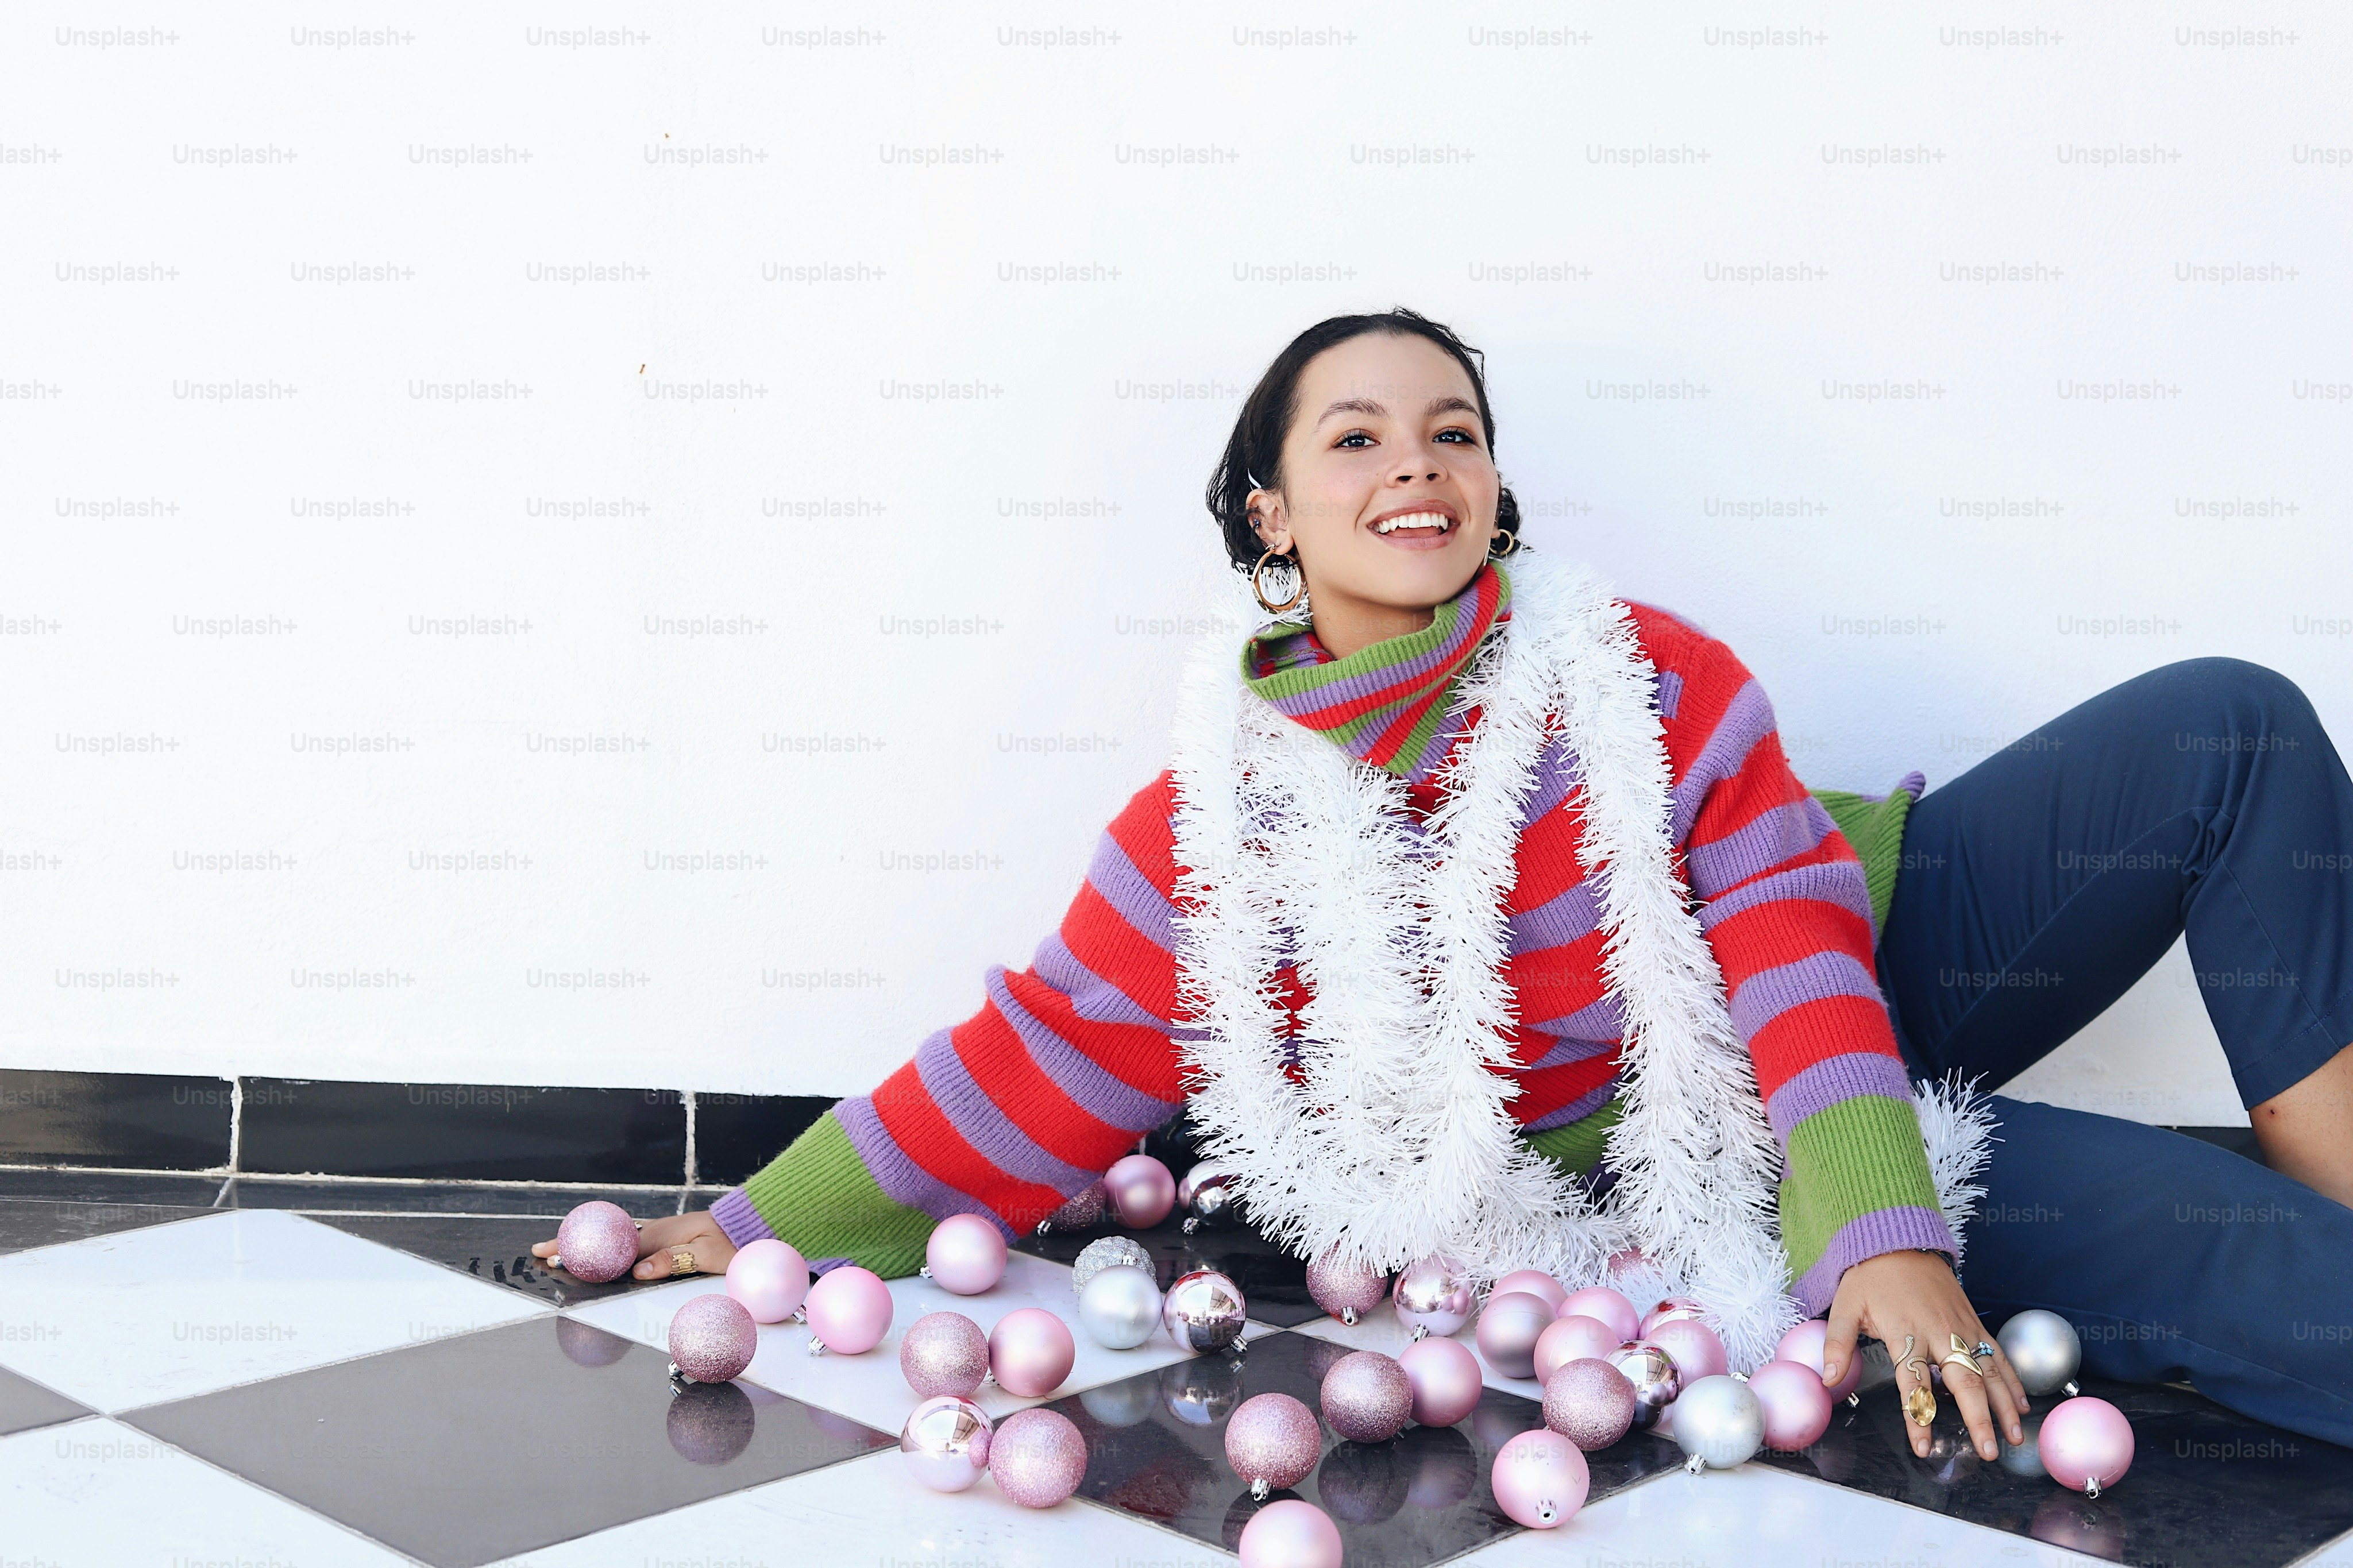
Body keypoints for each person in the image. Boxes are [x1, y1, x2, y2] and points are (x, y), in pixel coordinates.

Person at [537, 309, 2353, 1456]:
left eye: (1454, 429)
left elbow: (1793, 938)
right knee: (2280, 1286)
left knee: (2233, 723)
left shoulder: (1638, 674)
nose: (1418, 457)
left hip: (1876, 958)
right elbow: (1038, 1055)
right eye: (1357, 434)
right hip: (1707, 1150)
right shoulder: (1212, 831)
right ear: (1270, 512)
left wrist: (1885, 1225)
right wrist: (758, 1221)